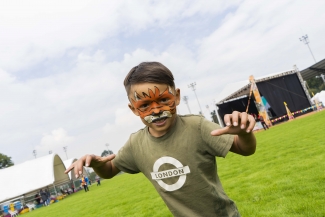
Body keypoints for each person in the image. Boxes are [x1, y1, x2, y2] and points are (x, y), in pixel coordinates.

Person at [66, 62, 257, 216]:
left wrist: (244, 133)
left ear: (177, 96)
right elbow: (109, 171)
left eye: (164, 100)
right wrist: (98, 163)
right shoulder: (136, 144)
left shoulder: (196, 127)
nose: (156, 110)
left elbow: (245, 149)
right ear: (133, 109)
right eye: (145, 104)